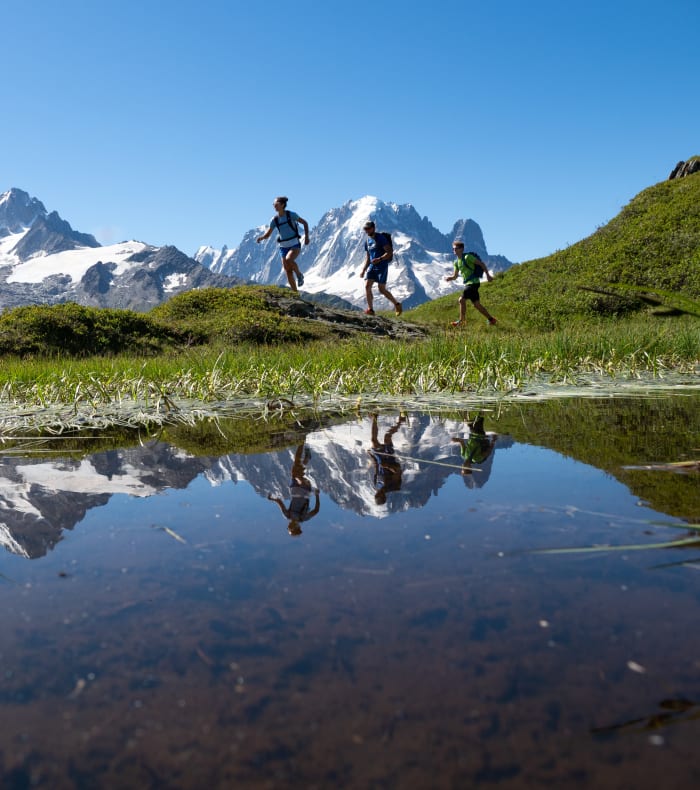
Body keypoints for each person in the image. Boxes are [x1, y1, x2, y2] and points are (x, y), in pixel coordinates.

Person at [256, 196, 309, 292]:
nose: (274, 206)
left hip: (294, 244)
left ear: (282, 205)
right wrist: (262, 238)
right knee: (288, 271)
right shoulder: (274, 220)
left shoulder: (291, 215)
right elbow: (268, 234)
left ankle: (299, 275)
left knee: (289, 259)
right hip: (283, 247)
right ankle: (295, 294)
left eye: (276, 204)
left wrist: (307, 238)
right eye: (274, 205)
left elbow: (305, 223)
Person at [267, 443, 320, 536]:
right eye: (291, 528)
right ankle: (302, 443)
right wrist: (317, 495)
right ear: (297, 527)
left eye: (289, 528)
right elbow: (316, 510)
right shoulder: (303, 518)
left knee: (297, 466)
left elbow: (280, 502)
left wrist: (273, 499)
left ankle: (305, 452)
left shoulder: (287, 515)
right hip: (304, 489)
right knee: (297, 472)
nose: (289, 526)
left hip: (294, 488)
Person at [444, 240, 497, 327]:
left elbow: (481, 264)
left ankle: (462, 321)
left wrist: (488, 275)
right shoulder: (456, 262)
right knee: (476, 305)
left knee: (461, 300)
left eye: (456, 249)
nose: (454, 251)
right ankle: (492, 320)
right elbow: (455, 276)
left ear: (461, 249)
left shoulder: (468, 257)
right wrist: (450, 278)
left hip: (473, 283)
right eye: (453, 249)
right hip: (469, 284)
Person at [360, 220, 402, 316]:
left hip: (382, 265)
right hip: (372, 265)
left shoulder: (380, 238)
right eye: (365, 229)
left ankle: (397, 304)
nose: (366, 231)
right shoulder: (367, 241)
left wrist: (379, 259)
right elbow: (368, 257)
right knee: (367, 286)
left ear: (373, 228)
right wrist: (363, 270)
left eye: (368, 228)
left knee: (381, 289)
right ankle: (370, 310)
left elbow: (389, 251)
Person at [367, 413, 405, 505]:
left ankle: (374, 417)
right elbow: (398, 471)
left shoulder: (376, 485)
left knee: (373, 441)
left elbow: (376, 469)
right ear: (384, 496)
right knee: (387, 437)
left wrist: (372, 457)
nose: (378, 492)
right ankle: (400, 421)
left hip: (379, 458)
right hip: (389, 458)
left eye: (377, 494)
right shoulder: (393, 486)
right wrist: (387, 466)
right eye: (380, 494)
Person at [451, 413, 497, 489]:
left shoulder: (463, 455)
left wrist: (457, 440)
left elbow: (462, 442)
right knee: (477, 420)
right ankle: (483, 407)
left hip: (472, 435)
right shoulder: (476, 459)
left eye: (463, 468)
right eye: (465, 468)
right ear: (469, 467)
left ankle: (479, 410)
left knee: (474, 421)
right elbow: (488, 452)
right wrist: (493, 441)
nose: (463, 466)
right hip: (480, 435)